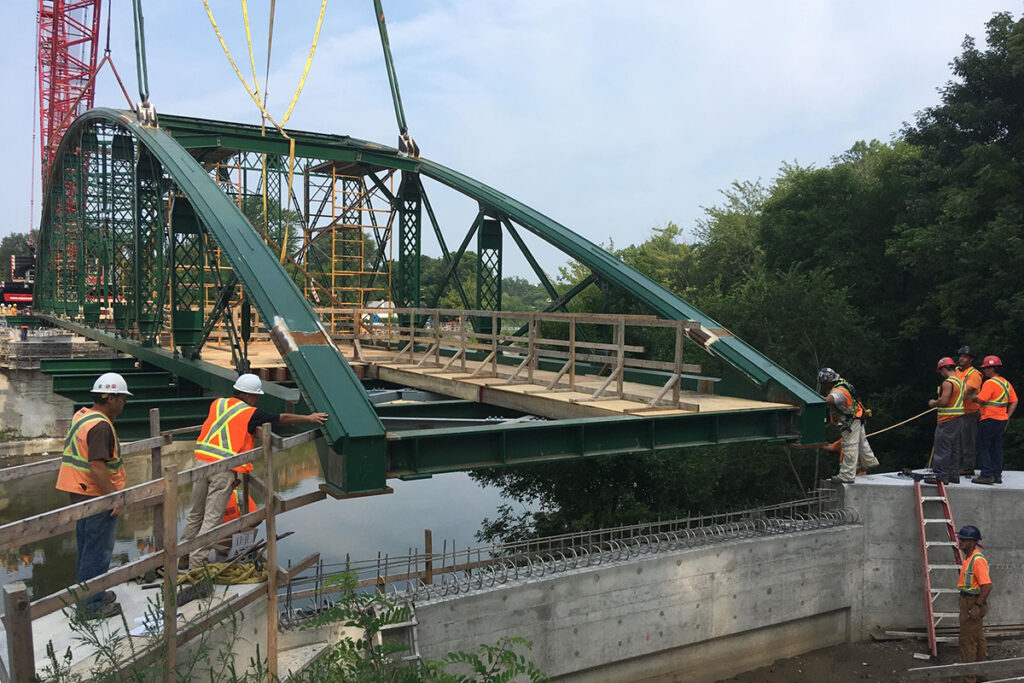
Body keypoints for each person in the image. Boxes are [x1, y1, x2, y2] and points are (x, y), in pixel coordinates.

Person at [180, 373, 327, 570]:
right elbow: (281, 418)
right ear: (248, 395)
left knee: (196, 513)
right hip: (222, 469)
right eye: (256, 396)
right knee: (212, 519)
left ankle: (182, 557)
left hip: (201, 463)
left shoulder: (218, 404)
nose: (257, 399)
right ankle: (197, 566)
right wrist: (308, 418)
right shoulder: (250, 413)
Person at [54, 372, 132, 619]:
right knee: (98, 551)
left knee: (87, 547)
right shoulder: (100, 426)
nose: (124, 404)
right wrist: (113, 497)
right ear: (111, 398)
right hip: (95, 494)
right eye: (122, 398)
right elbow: (97, 465)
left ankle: (90, 596)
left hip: (78, 490)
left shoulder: (83, 415)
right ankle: (91, 607)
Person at [817, 368, 879, 484]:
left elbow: (831, 399)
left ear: (829, 381)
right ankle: (868, 461)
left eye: (824, 383)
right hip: (857, 416)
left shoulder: (838, 392)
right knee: (861, 441)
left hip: (851, 420)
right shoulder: (842, 383)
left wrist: (817, 401)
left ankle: (847, 475)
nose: (823, 386)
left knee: (849, 445)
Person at [971, 355, 1017, 485]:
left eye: (986, 368)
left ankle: (986, 475)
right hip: (1001, 420)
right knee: (996, 447)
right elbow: (1014, 401)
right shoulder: (1006, 383)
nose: (984, 371)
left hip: (989, 419)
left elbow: (981, 399)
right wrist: (1008, 416)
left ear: (992, 369)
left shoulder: (990, 383)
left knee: (983, 446)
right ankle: (997, 475)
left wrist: (972, 397)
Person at [956, 525, 992, 683]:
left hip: (972, 602)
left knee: (968, 640)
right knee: (977, 638)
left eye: (964, 539)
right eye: (960, 538)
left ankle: (970, 677)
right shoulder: (969, 558)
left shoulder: (977, 560)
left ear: (973, 542)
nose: (960, 541)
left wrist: (976, 606)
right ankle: (981, 673)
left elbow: (987, 585)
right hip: (969, 601)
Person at [926, 357, 965, 484]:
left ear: (943, 369)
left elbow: (944, 401)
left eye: (940, 371)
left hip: (947, 420)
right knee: (954, 447)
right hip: (958, 419)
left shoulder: (948, 383)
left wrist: (933, 403)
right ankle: (953, 475)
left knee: (942, 447)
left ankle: (940, 475)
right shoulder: (960, 381)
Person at [955, 346, 983, 476]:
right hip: (957, 412)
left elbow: (968, 389)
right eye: (960, 356)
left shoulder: (974, 374)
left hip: (970, 412)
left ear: (971, 359)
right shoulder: (957, 372)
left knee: (968, 440)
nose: (961, 358)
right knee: (957, 440)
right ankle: (958, 464)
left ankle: (968, 467)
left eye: (965, 356)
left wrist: (949, 397)